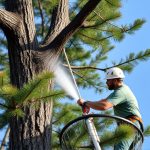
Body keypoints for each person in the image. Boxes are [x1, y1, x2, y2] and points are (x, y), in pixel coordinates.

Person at [77, 67, 143, 150]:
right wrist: (88, 104)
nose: (106, 82)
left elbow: (104, 106)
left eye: (108, 80)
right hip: (132, 126)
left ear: (115, 80)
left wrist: (85, 103)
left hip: (129, 125)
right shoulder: (121, 90)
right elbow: (103, 101)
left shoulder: (121, 92)